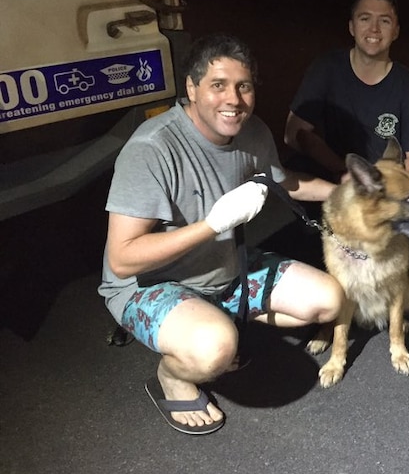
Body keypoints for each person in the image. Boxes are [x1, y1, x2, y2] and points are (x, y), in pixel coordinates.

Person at [99, 34, 344, 435]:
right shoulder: (151, 148)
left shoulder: (253, 133)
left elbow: (285, 182)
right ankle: (173, 375)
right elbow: (122, 259)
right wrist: (211, 226)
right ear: (192, 89)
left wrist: (345, 193)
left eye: (243, 86)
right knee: (215, 349)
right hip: (150, 286)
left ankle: (215, 320)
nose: (234, 99)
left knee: (330, 300)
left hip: (225, 272)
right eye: (218, 85)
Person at [283, 0, 409, 182]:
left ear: (396, 31)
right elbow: (293, 134)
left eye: (384, 21)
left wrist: (371, 179)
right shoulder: (327, 69)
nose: (374, 28)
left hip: (381, 185)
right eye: (365, 19)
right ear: (351, 27)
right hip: (334, 173)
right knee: (294, 172)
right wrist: (342, 170)